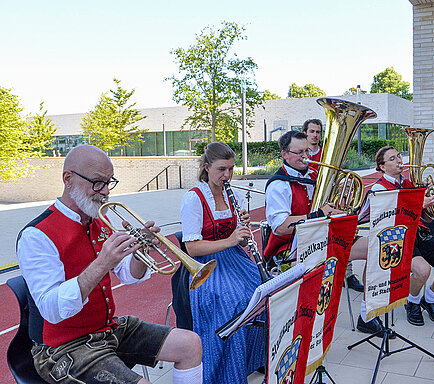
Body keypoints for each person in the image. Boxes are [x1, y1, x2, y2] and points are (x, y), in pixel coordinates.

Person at [16, 145, 203, 384]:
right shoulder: (37, 235)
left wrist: (140, 251)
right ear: (68, 179)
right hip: (62, 348)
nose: (105, 191)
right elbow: (51, 309)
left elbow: (129, 276)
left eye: (108, 182)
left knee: (190, 344)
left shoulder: (99, 221)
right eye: (97, 182)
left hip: (106, 330)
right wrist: (102, 263)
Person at [264, 130, 382, 335]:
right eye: (299, 152)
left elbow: (329, 209)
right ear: (284, 154)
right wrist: (318, 214)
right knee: (316, 279)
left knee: (377, 247)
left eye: (307, 151)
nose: (306, 157)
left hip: (322, 239)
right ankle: (306, 330)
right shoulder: (278, 185)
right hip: (291, 248)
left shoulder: (314, 176)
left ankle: (366, 315)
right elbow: (280, 226)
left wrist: (340, 206)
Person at [178, 142, 266, 383]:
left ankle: (251, 360)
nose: (227, 175)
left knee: (263, 294)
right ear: (207, 168)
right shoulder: (193, 199)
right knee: (235, 302)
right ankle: (226, 373)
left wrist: (242, 233)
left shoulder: (233, 195)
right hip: (206, 266)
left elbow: (236, 242)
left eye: (231, 169)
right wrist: (230, 239)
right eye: (221, 170)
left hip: (234, 260)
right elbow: (191, 247)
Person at [359, 146, 434, 327]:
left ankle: (430, 299)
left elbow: (427, 218)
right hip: (398, 237)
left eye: (399, 156)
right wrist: (418, 203)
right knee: (423, 270)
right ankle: (412, 302)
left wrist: (430, 201)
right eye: (392, 159)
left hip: (419, 232)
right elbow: (386, 220)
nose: (399, 160)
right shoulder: (379, 188)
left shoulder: (409, 184)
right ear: (382, 167)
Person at [302, 118, 364, 293]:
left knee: (342, 232)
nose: (315, 135)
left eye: (318, 132)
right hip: (309, 204)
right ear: (305, 132)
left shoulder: (327, 153)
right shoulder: (302, 155)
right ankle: (317, 273)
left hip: (329, 201)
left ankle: (348, 274)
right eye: (312, 131)